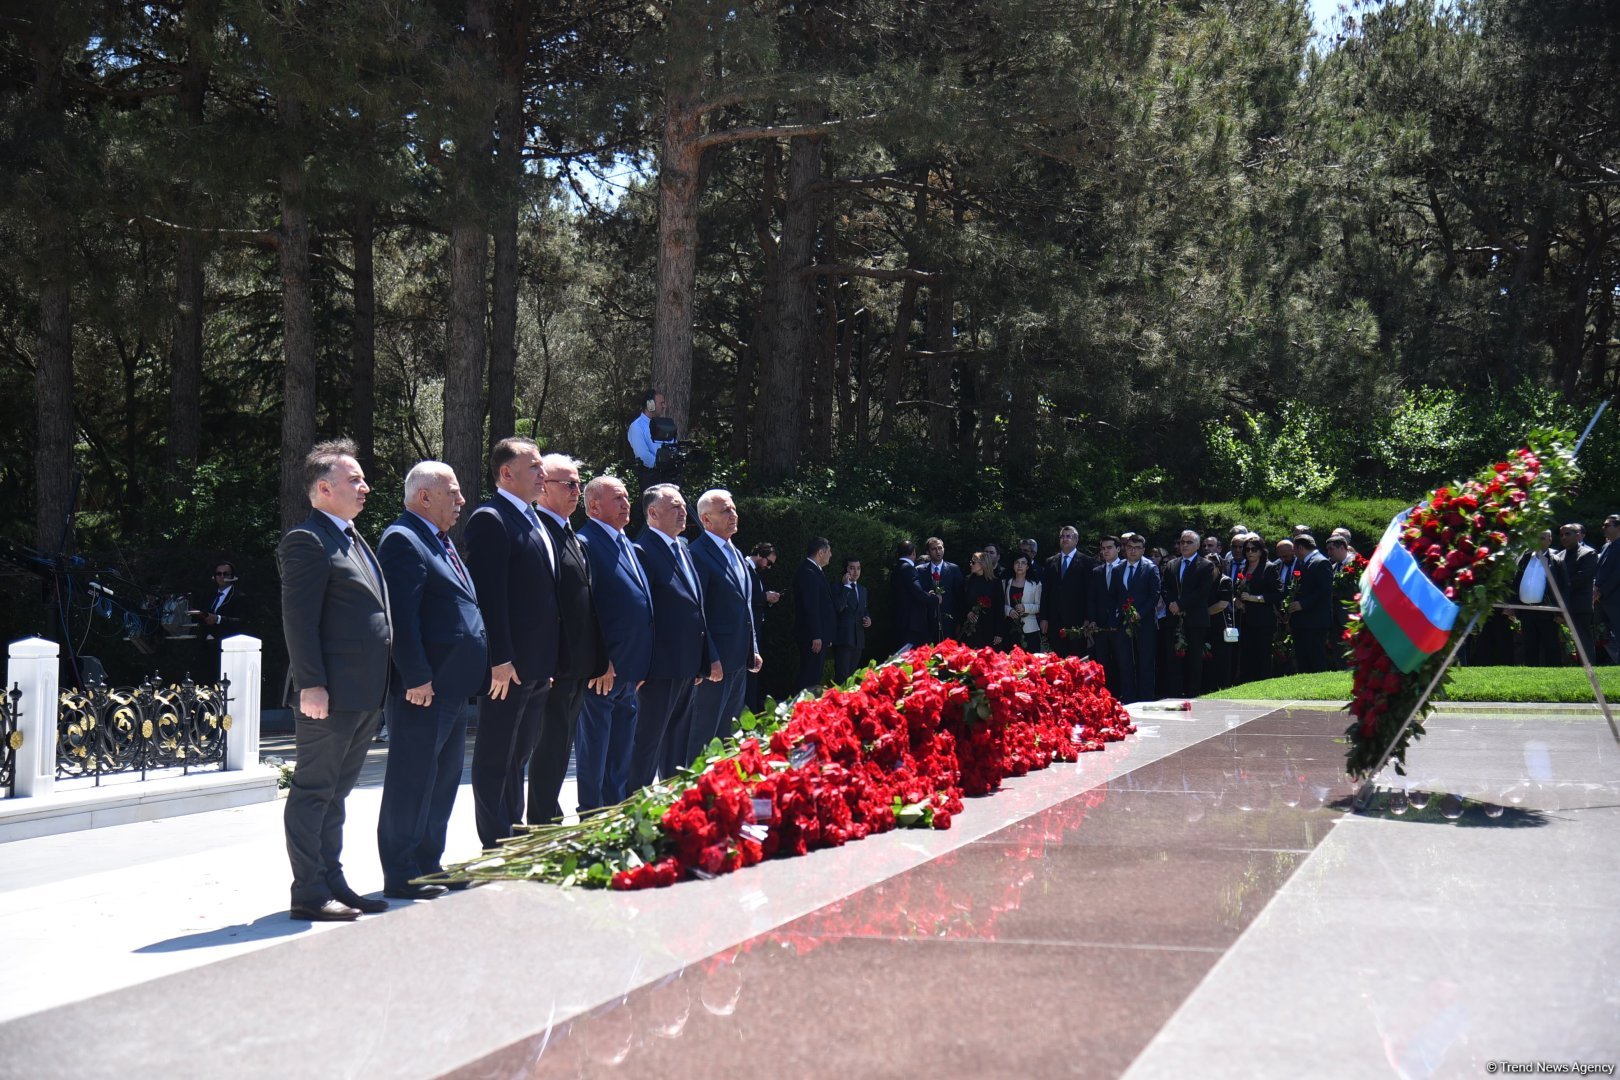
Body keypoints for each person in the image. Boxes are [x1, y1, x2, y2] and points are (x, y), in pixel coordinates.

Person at [277, 438, 393, 922]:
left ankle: (332, 880)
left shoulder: (351, 537)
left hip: (362, 693)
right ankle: (308, 893)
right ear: (324, 488)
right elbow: (298, 621)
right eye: (354, 480)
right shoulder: (307, 540)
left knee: (337, 794)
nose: (365, 487)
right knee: (314, 791)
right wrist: (311, 684)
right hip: (328, 694)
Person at [374, 461, 485, 901]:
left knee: (441, 780)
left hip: (451, 687)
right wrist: (416, 675)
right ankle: (400, 871)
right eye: (452, 493)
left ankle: (427, 863)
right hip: (424, 689)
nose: (461, 501)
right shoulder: (403, 539)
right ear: (424, 497)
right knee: (412, 779)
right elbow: (402, 617)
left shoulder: (439, 540)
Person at [464, 437, 560, 850]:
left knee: (519, 752)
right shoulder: (491, 519)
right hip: (509, 666)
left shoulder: (532, 518)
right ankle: (495, 840)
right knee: (496, 756)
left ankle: (513, 831)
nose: (543, 473)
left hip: (536, 664)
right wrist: (499, 657)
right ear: (506, 473)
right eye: (534, 466)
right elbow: (489, 596)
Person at [529, 454, 610, 824]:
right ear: (544, 487)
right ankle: (541, 821)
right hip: (555, 665)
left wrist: (600, 658)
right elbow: (539, 605)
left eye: (579, 482)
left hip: (578, 664)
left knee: (561, 749)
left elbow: (588, 605)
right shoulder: (539, 532)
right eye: (569, 484)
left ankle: (549, 815)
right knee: (547, 748)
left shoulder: (569, 534)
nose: (577, 490)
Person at [576, 475, 654, 809]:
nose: (626, 504)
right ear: (594, 507)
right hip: (604, 672)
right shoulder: (586, 542)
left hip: (631, 671)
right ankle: (592, 816)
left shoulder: (626, 543)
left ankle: (615, 815)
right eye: (618, 498)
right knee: (595, 753)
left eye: (626, 497)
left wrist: (643, 664)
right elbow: (586, 609)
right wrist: (600, 659)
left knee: (620, 756)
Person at [634, 485, 720, 783]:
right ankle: (637, 803)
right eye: (675, 506)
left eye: (683, 505)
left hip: (686, 666)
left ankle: (671, 803)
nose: (683, 511)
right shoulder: (642, 550)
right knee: (647, 745)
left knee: (676, 747)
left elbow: (696, 607)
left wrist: (703, 659)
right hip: (659, 668)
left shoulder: (682, 548)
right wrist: (642, 666)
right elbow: (644, 615)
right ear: (653, 512)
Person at [688, 489, 761, 759]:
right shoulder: (698, 554)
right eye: (725, 511)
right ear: (706, 520)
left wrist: (752, 648)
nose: (734, 515)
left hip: (738, 660)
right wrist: (710, 657)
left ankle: (723, 781)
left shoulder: (736, 552)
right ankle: (697, 783)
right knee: (704, 734)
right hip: (715, 664)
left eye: (733, 508)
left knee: (728, 733)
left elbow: (745, 605)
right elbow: (698, 612)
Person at [1162, 529, 1215, 697]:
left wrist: (1180, 604)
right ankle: (1175, 694)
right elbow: (1165, 587)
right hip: (1174, 618)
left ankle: (1194, 694)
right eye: (1182, 542)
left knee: (1194, 659)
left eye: (1189, 542)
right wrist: (1172, 604)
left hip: (1195, 619)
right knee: (1174, 658)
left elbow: (1202, 592)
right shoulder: (1172, 564)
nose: (1184, 545)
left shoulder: (1206, 565)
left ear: (1198, 546)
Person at [1232, 534, 1282, 683]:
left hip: (1263, 620)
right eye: (1247, 549)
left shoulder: (1269, 568)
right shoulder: (1244, 568)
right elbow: (1238, 591)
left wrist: (1255, 598)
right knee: (1247, 655)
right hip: (1245, 619)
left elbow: (1278, 594)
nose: (1250, 552)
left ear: (1261, 551)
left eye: (1254, 549)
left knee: (1262, 655)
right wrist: (1236, 600)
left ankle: (1264, 683)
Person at [1119, 533, 1160, 702]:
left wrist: (1140, 613)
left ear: (1143, 550)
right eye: (1130, 547)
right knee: (1125, 660)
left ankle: (1146, 697)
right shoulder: (1118, 568)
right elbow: (1116, 594)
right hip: (1123, 622)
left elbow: (1154, 595)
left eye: (1137, 548)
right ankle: (1128, 697)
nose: (1133, 551)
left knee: (1145, 661)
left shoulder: (1150, 568)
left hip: (1145, 621)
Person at [1042, 526, 1094, 657]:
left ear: (1076, 540)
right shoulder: (1050, 562)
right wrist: (1044, 618)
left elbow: (1090, 593)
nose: (1064, 539)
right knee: (1057, 660)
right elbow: (1045, 592)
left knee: (1077, 659)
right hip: (1055, 621)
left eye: (1068, 536)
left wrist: (1088, 618)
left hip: (1077, 621)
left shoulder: (1087, 562)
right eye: (1062, 536)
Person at [1087, 537, 1130, 695]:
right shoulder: (1097, 571)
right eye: (1103, 548)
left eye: (1109, 547)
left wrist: (1119, 617)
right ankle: (1107, 695)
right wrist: (1092, 620)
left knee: (1122, 661)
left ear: (1118, 549)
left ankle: (1125, 694)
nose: (1106, 551)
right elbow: (1091, 598)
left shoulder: (1126, 567)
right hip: (1101, 625)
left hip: (1120, 624)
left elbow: (1126, 597)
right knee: (1103, 661)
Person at [794, 537, 837, 692]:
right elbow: (811, 606)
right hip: (812, 636)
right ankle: (801, 705)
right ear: (821, 552)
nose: (831, 555)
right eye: (829, 551)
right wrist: (816, 635)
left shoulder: (815, 571)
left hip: (819, 635)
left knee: (814, 675)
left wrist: (826, 635)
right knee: (809, 676)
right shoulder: (808, 572)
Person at [1513, 530, 1560, 666]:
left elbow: (1563, 587)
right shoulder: (1525, 559)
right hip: (1526, 610)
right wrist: (1513, 605)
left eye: (1542, 538)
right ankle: (1531, 672)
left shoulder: (1556, 560)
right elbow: (1516, 582)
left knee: (1551, 646)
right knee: (1529, 647)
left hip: (1547, 611)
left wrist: (1560, 612)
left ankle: (1555, 672)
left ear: (1550, 540)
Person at [1553, 522, 1598, 662]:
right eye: (1561, 535)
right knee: (1561, 640)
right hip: (1561, 604)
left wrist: (1557, 589)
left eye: (1568, 534)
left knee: (1583, 639)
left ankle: (1589, 666)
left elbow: (1582, 578)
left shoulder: (1588, 553)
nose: (1563, 537)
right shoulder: (1559, 555)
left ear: (1578, 535)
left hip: (1579, 605)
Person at [1289, 535, 1333, 673]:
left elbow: (1325, 591)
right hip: (1302, 621)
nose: (1293, 553)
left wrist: (1303, 604)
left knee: (1316, 658)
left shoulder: (1321, 562)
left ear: (1301, 548)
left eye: (1294, 549)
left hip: (1315, 621)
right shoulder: (1303, 563)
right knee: (1303, 659)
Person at [745, 542, 780, 711]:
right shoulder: (744, 568)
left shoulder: (754, 572)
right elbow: (745, 596)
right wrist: (764, 596)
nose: (769, 567)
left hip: (755, 629)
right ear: (759, 554)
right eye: (769, 562)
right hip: (747, 630)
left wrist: (768, 599)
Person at [831, 556, 871, 680]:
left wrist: (868, 618)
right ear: (845, 570)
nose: (856, 572)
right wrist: (846, 587)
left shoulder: (863, 589)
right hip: (843, 638)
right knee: (842, 676)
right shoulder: (837, 587)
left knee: (851, 677)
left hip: (858, 639)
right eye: (852, 568)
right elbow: (838, 607)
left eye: (858, 568)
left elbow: (864, 610)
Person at [627, 389, 674, 490]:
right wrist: (661, 464)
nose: (664, 406)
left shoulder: (665, 425)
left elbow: (673, 446)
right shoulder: (637, 426)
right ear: (650, 404)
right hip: (650, 480)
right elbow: (643, 455)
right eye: (661, 403)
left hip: (668, 477)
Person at [919, 537, 964, 642]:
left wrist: (959, 622)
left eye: (940, 548)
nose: (938, 551)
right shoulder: (920, 570)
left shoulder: (954, 569)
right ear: (928, 552)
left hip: (949, 623)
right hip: (927, 623)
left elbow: (960, 597)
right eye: (934, 549)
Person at [890, 540, 931, 652]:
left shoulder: (896, 568)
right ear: (913, 552)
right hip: (912, 624)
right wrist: (935, 598)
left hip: (900, 620)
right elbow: (918, 593)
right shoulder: (908, 568)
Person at [961, 552, 1002, 648]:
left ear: (982, 564)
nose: (970, 564)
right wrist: (967, 612)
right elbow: (962, 601)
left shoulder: (995, 583)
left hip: (989, 627)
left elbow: (999, 608)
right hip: (970, 628)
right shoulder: (968, 580)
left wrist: (999, 632)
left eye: (973, 562)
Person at [1004, 553, 1042, 653]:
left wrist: (1025, 607)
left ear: (1028, 566)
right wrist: (1009, 611)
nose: (1020, 565)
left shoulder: (1036, 584)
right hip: (1009, 628)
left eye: (1023, 563)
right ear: (1013, 565)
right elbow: (1001, 604)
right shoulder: (1006, 582)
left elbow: (1040, 606)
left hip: (1030, 630)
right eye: (1017, 562)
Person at [1597, 514, 1620, 664]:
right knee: (1604, 635)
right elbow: (1599, 570)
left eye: (1607, 525)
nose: (1603, 528)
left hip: (1616, 599)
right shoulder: (1606, 546)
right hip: (1602, 600)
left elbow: (1617, 573)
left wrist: (1601, 591)